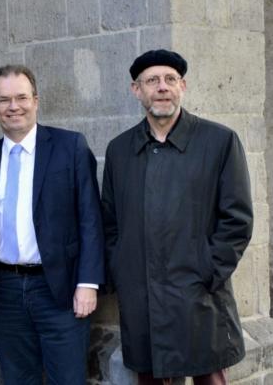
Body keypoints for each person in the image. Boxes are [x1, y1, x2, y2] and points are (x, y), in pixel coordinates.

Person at [102, 49, 253, 384]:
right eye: (152, 80)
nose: (162, 87)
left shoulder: (219, 141)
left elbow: (237, 220)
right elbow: (111, 224)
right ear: (136, 89)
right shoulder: (120, 150)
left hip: (199, 298)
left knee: (209, 378)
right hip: (141, 300)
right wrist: (123, 272)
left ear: (182, 86)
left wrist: (207, 271)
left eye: (170, 79)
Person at [0, 64, 104, 384]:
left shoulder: (71, 147)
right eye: (4, 100)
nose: (14, 107)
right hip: (5, 291)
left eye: (22, 97)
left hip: (61, 291)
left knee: (67, 378)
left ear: (36, 100)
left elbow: (91, 219)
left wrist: (88, 283)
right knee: (18, 378)